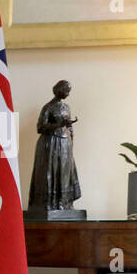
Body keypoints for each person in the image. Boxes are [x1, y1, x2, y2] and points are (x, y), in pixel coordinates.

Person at [27, 79, 81, 212]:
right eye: (66, 91)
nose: (68, 94)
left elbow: (69, 127)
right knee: (51, 173)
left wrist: (70, 138)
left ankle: (65, 204)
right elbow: (40, 127)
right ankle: (49, 204)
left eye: (69, 91)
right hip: (50, 144)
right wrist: (59, 124)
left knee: (64, 173)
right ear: (58, 90)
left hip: (65, 144)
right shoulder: (48, 107)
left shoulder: (67, 107)